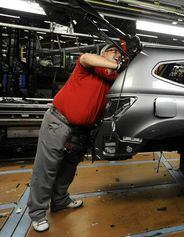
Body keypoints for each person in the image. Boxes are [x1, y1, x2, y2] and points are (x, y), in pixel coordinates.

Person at [28, 44, 125, 232]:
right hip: (59, 122)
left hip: (80, 131)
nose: (118, 57)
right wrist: (116, 65)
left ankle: (60, 200)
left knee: (68, 168)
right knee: (46, 168)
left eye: (121, 55)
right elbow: (85, 57)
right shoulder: (89, 67)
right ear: (103, 53)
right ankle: (38, 213)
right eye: (114, 52)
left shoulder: (113, 80)